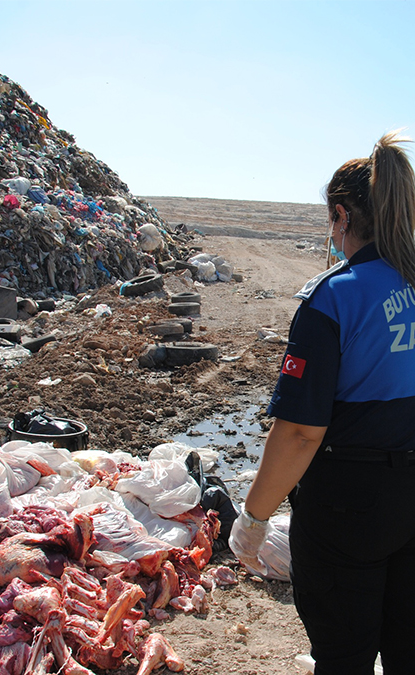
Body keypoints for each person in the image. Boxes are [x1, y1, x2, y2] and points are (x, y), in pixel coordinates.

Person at [230, 132, 415, 673]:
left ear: (341, 215)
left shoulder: (335, 296)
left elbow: (298, 432)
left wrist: (256, 517)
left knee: (343, 655)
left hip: (349, 507)